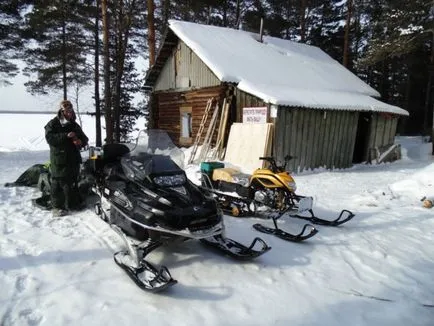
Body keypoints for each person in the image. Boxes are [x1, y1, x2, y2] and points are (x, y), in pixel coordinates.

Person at [45, 100, 89, 217]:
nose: (69, 113)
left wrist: (81, 141)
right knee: (58, 183)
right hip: (59, 159)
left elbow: (85, 138)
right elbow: (50, 138)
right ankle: (57, 207)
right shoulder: (53, 124)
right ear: (62, 111)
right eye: (67, 111)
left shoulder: (74, 125)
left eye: (71, 111)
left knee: (72, 182)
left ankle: (72, 204)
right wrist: (65, 136)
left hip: (73, 158)